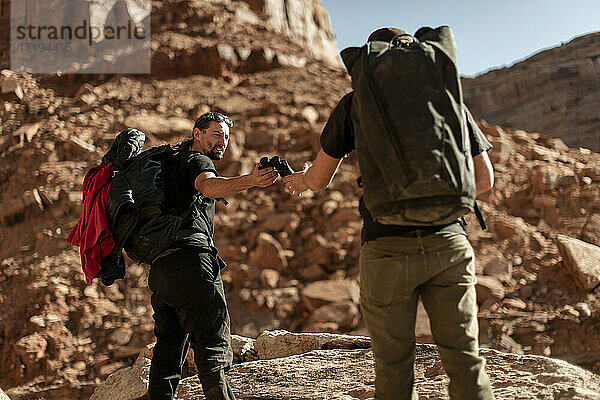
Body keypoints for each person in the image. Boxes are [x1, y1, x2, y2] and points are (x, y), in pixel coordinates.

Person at [283, 28, 496, 400]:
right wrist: (436, 198)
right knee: (464, 361)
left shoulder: (357, 101)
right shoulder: (446, 100)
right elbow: (484, 180)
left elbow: (319, 179)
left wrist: (301, 180)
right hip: (448, 242)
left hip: (386, 248)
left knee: (394, 366)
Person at [147, 112, 278, 400]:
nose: (223, 141)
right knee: (212, 344)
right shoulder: (197, 161)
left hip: (160, 270)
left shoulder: (168, 165)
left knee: (167, 354)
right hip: (192, 263)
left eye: (227, 137)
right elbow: (208, 186)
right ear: (197, 133)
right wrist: (252, 180)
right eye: (217, 134)